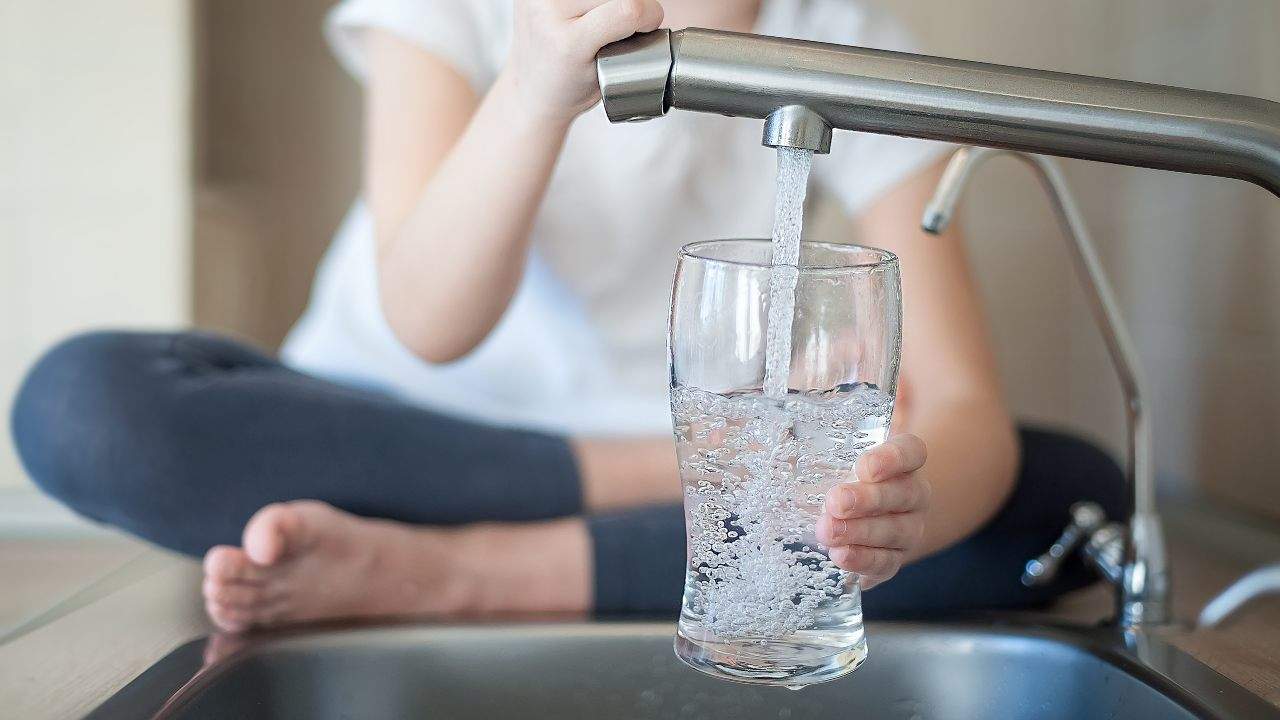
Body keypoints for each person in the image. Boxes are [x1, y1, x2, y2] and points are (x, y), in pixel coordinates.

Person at [12, 0, 1124, 633]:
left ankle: (436, 576)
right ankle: (589, 519)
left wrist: (886, 522)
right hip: (379, 430)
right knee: (86, 404)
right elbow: (427, 323)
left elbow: (962, 402)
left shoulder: (844, 31)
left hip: (693, 475)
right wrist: (535, 85)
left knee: (1065, 496)